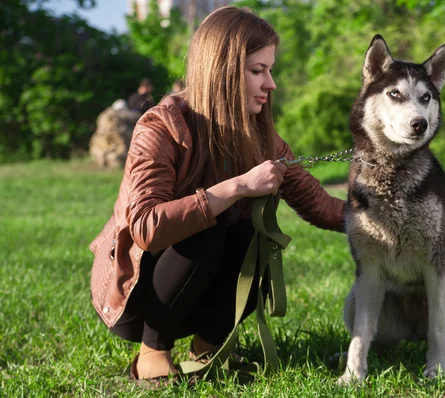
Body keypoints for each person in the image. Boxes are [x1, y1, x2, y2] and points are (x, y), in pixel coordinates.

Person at [89, 6, 345, 383]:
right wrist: (238, 186)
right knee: (206, 229)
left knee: (254, 235)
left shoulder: (261, 139)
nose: (270, 83)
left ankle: (208, 347)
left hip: (193, 294)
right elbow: (145, 226)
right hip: (136, 299)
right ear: (223, 70)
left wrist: (393, 218)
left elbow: (321, 205)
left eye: (269, 70)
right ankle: (152, 352)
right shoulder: (161, 127)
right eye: (258, 71)